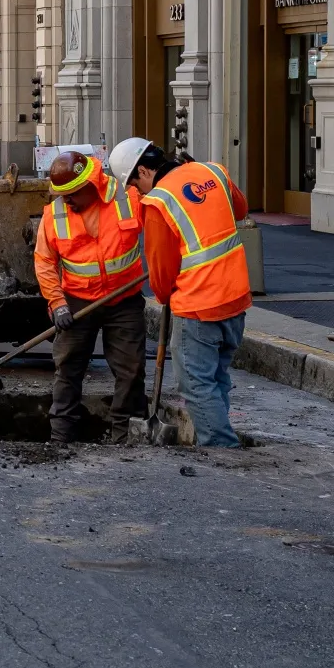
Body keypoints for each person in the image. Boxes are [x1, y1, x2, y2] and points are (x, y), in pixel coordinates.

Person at [109, 136, 252, 448]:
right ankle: (214, 436)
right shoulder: (213, 171)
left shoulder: (158, 202)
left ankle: (221, 448)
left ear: (143, 172)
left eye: (134, 184)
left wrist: (164, 297)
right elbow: (240, 210)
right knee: (216, 378)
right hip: (236, 297)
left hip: (198, 305)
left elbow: (161, 273)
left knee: (197, 385)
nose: (136, 191)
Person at [34, 150, 149, 442]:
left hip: (124, 300)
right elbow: (45, 263)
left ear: (91, 185)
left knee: (131, 370)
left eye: (71, 193)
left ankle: (124, 436)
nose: (65, 199)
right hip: (76, 301)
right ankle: (61, 436)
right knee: (68, 369)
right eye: (61, 194)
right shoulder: (55, 214)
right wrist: (57, 304)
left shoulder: (129, 200)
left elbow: (163, 225)